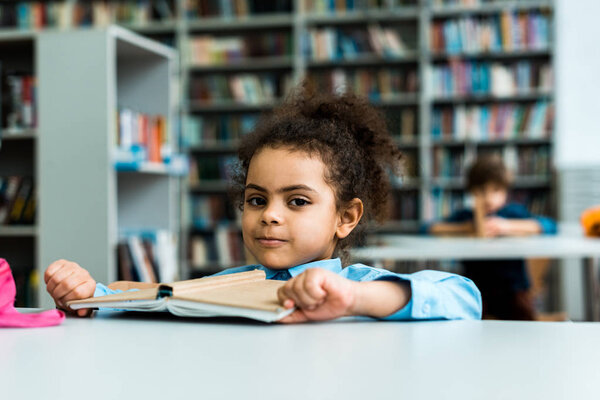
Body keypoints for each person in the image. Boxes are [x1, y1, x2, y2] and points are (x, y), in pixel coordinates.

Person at [44, 84, 482, 323]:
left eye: (297, 201)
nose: (269, 215)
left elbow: (464, 299)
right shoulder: (230, 284)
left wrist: (353, 299)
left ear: (345, 218)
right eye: (257, 199)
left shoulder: (358, 285)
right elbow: (162, 300)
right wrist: (89, 296)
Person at [423, 155, 557, 320]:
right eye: (481, 191)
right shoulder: (466, 216)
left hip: (513, 290)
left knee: (525, 321)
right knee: (464, 321)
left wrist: (506, 226)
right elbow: (427, 228)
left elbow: (549, 226)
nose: (488, 198)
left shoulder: (512, 213)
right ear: (472, 192)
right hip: (475, 290)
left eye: (495, 190)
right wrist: (465, 228)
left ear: (505, 191)